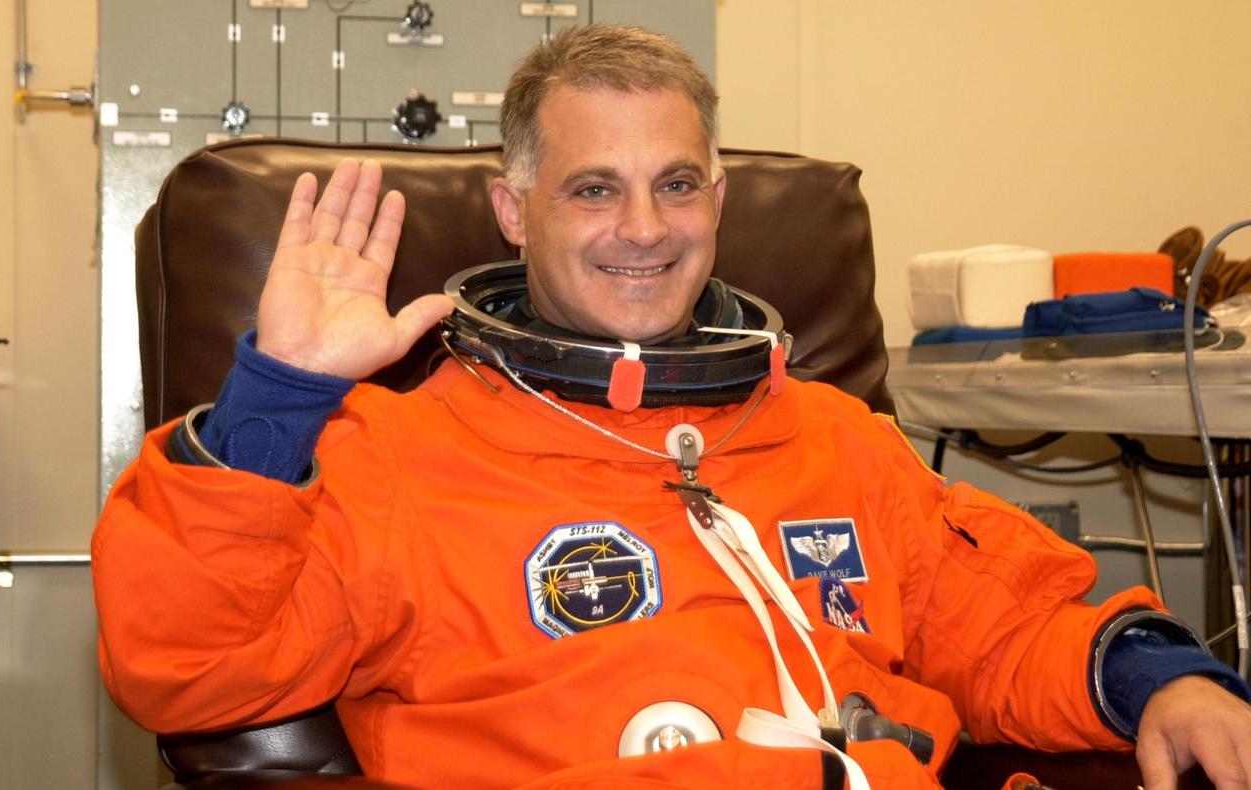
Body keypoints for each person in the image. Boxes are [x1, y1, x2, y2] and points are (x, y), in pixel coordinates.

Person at [93, 24, 1251, 789]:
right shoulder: (393, 454)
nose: (642, 229)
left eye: (674, 184)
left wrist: (1158, 672)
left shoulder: (831, 437)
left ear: (718, 198)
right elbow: (189, 667)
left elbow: (1000, 623)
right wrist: (278, 398)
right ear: (510, 212)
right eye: (592, 189)